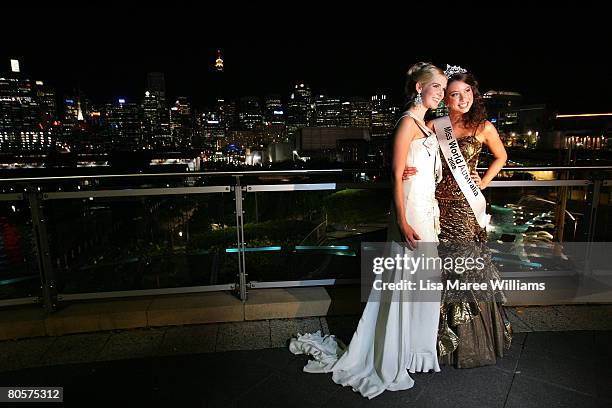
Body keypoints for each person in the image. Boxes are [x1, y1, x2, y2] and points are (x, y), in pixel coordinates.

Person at [289, 62, 447, 399]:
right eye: (437, 88)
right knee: (404, 284)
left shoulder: (428, 125)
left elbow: (450, 143)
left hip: (427, 209)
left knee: (422, 286)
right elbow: (395, 174)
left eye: (445, 90)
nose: (442, 95)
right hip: (411, 213)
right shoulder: (407, 123)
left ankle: (411, 352)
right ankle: (390, 353)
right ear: (419, 87)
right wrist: (402, 221)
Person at [403, 65, 512, 368]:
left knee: (464, 268)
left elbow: (501, 156)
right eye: (454, 93)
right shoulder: (434, 123)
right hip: (436, 206)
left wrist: (484, 181)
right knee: (438, 270)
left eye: (467, 92)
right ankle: (434, 343)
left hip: (465, 209)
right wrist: (405, 170)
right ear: (444, 98)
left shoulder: (483, 126)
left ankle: (469, 345)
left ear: (474, 94)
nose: (462, 98)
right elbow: (412, 151)